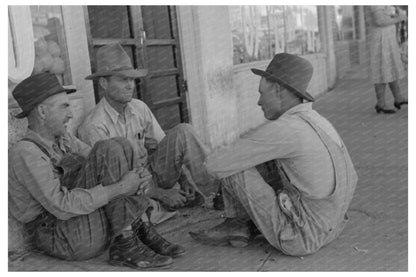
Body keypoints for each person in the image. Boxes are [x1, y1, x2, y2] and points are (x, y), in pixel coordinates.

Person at [9, 73, 186, 269]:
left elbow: (107, 159)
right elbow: (61, 205)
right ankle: (127, 240)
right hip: (62, 237)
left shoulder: (63, 139)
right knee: (108, 148)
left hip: (80, 224)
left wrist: (137, 174)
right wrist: (121, 187)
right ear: (42, 112)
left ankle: (139, 229)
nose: (70, 115)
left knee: (119, 144)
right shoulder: (25, 152)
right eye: (64, 107)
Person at [189, 53, 358, 256]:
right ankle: (239, 224)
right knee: (255, 158)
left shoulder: (286, 129)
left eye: (261, 93)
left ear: (278, 90)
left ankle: (236, 224)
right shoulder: (317, 120)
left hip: (301, 237)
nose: (259, 102)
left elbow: (214, 165)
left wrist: (227, 152)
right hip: (332, 226)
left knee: (232, 166)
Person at [78, 43, 213, 212]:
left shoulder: (139, 107)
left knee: (184, 131)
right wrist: (159, 193)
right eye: (122, 79)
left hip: (151, 173)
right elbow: (112, 182)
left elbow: (163, 146)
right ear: (104, 83)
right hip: (125, 188)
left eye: (131, 79)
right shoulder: (94, 125)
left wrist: (184, 179)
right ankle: (158, 203)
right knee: (142, 208)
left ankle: (220, 194)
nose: (130, 86)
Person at [367, 6, 408, 114]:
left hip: (388, 39)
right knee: (381, 70)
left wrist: (395, 15)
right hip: (380, 40)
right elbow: (379, 21)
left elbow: (386, 16)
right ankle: (381, 103)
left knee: (390, 68)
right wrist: (399, 18)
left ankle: (398, 98)